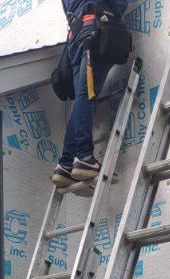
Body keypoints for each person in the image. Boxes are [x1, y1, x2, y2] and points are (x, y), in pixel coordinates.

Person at [52, 0, 129, 187]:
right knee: (87, 92)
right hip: (95, 29)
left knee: (84, 93)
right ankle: (84, 156)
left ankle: (66, 162)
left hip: (79, 33)